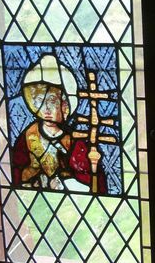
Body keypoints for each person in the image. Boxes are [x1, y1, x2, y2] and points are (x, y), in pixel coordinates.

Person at [11, 54, 106, 193]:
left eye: (51, 101)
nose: (46, 109)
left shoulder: (74, 140)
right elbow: (16, 172)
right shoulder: (28, 137)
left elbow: (90, 183)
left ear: (64, 104)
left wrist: (64, 183)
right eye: (39, 101)